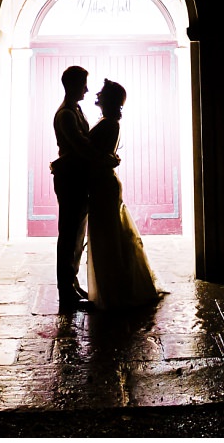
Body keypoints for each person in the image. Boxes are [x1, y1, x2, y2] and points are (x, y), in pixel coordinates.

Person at [84, 79, 162, 312]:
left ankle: (115, 291)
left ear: (109, 99)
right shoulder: (108, 123)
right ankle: (112, 288)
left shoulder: (109, 125)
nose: (97, 93)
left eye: (103, 92)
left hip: (103, 184)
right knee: (108, 234)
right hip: (102, 182)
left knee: (108, 236)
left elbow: (95, 155)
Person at [49, 65, 118, 310]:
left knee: (77, 233)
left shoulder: (75, 109)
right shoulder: (65, 114)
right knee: (68, 233)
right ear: (72, 85)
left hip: (77, 176)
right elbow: (80, 145)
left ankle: (72, 283)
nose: (87, 89)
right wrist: (105, 158)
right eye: (83, 84)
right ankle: (65, 290)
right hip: (69, 178)